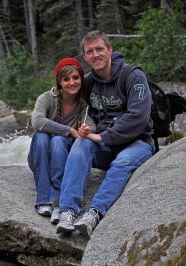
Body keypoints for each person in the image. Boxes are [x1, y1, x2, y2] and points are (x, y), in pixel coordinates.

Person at [56, 30, 154, 238]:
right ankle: (68, 211)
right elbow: (65, 99)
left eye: (99, 49)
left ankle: (94, 213)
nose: (95, 54)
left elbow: (139, 116)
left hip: (138, 142)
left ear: (110, 50)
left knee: (123, 161)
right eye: (90, 51)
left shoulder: (133, 76)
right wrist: (80, 129)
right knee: (80, 144)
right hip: (106, 145)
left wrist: (102, 137)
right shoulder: (88, 82)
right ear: (85, 57)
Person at [28, 58, 95, 224]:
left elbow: (91, 125)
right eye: (66, 79)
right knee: (41, 136)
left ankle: (57, 203)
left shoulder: (84, 105)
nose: (72, 82)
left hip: (63, 158)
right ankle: (43, 200)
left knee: (58, 140)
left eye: (76, 78)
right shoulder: (46, 98)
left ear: (81, 79)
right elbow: (37, 122)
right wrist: (70, 130)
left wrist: (86, 130)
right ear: (59, 82)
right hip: (41, 156)